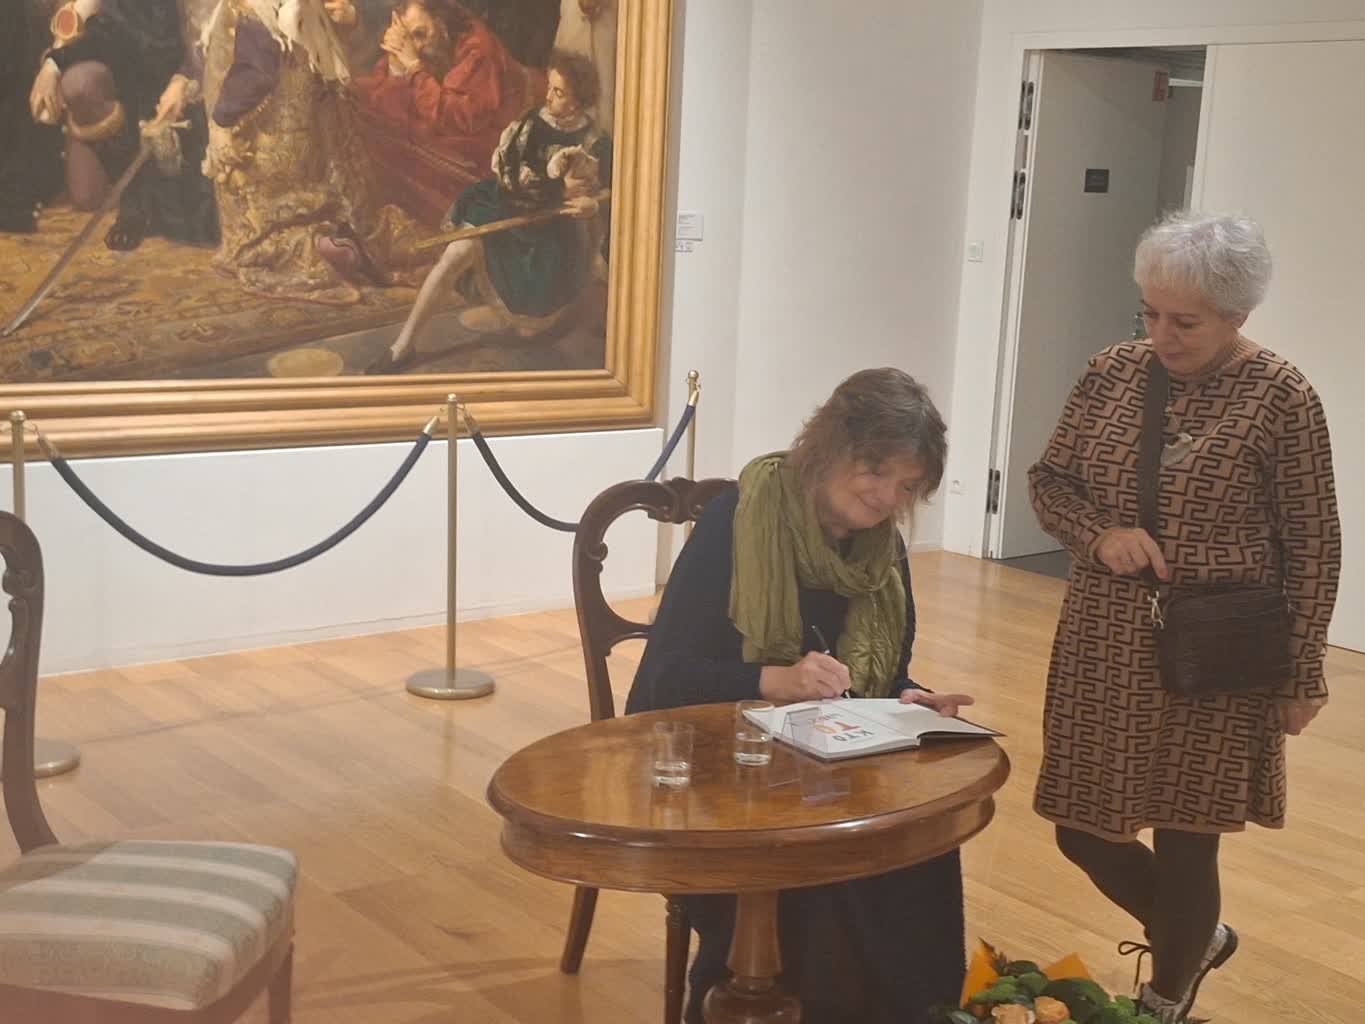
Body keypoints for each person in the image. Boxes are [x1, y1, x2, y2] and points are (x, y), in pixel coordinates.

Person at [1029, 211, 1341, 1022]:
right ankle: (1195, 937)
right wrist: (1099, 536)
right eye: (1150, 313)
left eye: (1184, 322)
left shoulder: (1281, 396)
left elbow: (1313, 542)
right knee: (1079, 826)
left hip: (1217, 650)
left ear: (1237, 315)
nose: (1160, 335)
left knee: (1186, 832)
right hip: (1103, 637)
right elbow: (1049, 482)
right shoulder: (1109, 373)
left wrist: (1302, 673)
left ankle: (1164, 999)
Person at [625, 368, 975, 1024]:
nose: (887, 497)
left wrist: (911, 698)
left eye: (907, 485)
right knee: (814, 867)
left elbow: (883, 675)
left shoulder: (881, 551)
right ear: (830, 449)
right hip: (715, 767)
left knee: (918, 843)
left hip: (825, 758)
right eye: (875, 471)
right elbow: (663, 681)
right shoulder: (737, 520)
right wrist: (769, 681)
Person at [366, 46, 608, 373]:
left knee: (530, 331)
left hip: (549, 235)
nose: (548, 97)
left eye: (559, 92)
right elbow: (509, 174)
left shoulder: (595, 140)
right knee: (455, 254)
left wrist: (592, 205)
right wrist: (557, 189)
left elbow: (615, 191)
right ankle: (402, 346)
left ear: (578, 101)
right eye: (550, 87)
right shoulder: (530, 124)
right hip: (505, 208)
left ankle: (540, 319)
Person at [200, 0, 427, 305]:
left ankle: (312, 248)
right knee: (331, 200)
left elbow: (256, 74)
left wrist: (222, 121)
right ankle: (344, 241)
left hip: (271, 142)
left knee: (258, 213)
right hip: (316, 136)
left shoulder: (256, 8)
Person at [28, 0, 219, 249]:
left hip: (206, 75)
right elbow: (112, 33)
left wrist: (184, 79)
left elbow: (215, 31)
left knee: (197, 218)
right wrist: (53, 64)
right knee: (87, 195)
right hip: (145, 84)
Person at [350, 0, 541, 224]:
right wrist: (396, 64)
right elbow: (384, 93)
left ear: (441, 20)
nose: (415, 46)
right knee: (365, 110)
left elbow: (455, 117)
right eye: (407, 37)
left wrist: (413, 67)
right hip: (461, 128)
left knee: (403, 144)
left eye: (420, 34)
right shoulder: (428, 45)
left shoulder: (478, 47)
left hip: (499, 136)